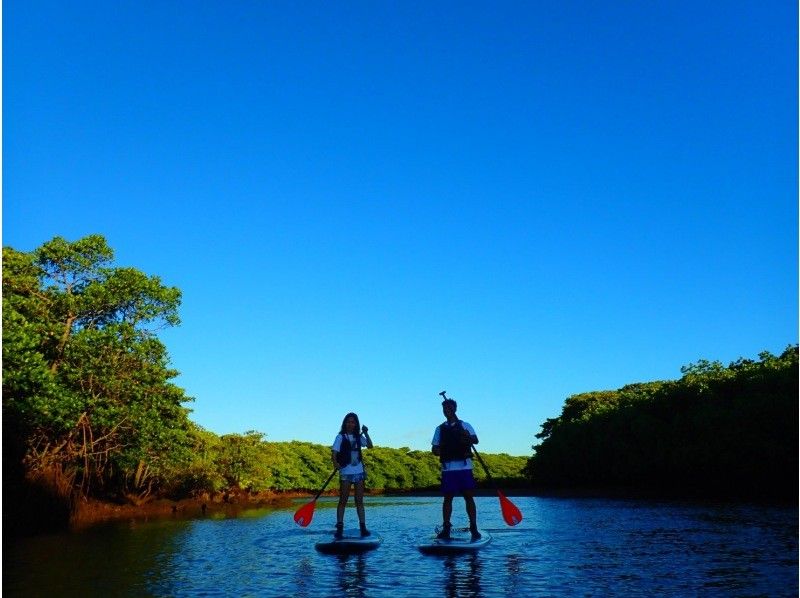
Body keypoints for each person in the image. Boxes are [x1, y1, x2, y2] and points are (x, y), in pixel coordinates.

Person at [431, 397, 481, 541]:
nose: (446, 411)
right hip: (448, 469)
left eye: (449, 409)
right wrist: (440, 451)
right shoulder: (439, 429)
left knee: (468, 497)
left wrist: (468, 437)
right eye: (444, 409)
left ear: (454, 409)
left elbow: (475, 440)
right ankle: (446, 528)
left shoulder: (465, 425)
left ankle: (473, 527)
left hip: (464, 467)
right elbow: (434, 448)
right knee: (447, 499)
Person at [331, 412, 373, 538]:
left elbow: (370, 446)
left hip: (358, 472)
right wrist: (336, 464)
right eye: (348, 422)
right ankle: (339, 527)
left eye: (353, 422)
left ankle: (363, 527)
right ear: (345, 423)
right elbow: (334, 453)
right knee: (343, 500)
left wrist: (365, 432)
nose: (350, 424)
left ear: (356, 424)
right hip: (345, 472)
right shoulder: (340, 437)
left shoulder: (359, 437)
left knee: (359, 501)